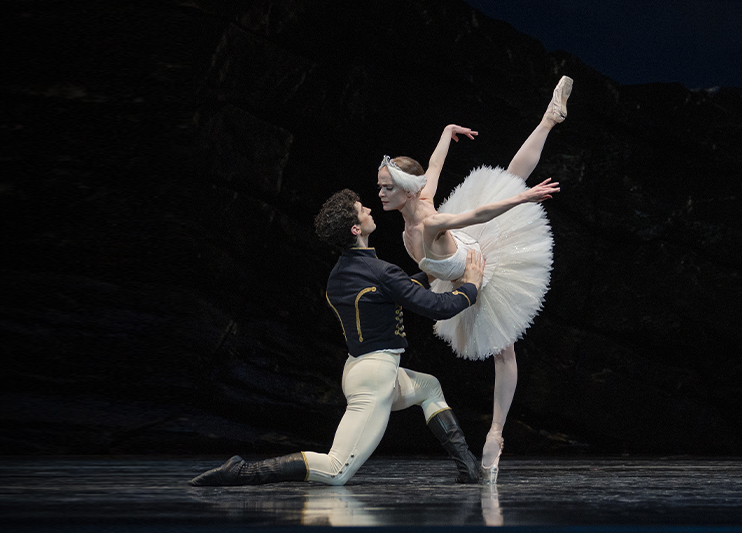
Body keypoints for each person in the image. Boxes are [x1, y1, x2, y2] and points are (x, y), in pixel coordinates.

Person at [188, 190, 487, 486]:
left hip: (361, 370)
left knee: (429, 388)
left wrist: (432, 273)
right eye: (362, 209)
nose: (369, 209)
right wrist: (470, 287)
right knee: (336, 469)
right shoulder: (380, 272)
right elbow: (437, 306)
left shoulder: (340, 276)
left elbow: (391, 293)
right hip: (376, 377)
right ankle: (243, 472)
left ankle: (468, 468)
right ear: (356, 229)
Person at [375, 75, 570, 483]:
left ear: (407, 193)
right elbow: (435, 165)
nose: (381, 194)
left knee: (504, 352)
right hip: (457, 264)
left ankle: (496, 433)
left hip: (479, 264)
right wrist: (447, 131)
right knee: (507, 179)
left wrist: (523, 198)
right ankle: (549, 120)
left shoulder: (429, 221)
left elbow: (477, 216)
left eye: (388, 188)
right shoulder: (419, 202)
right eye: (380, 187)